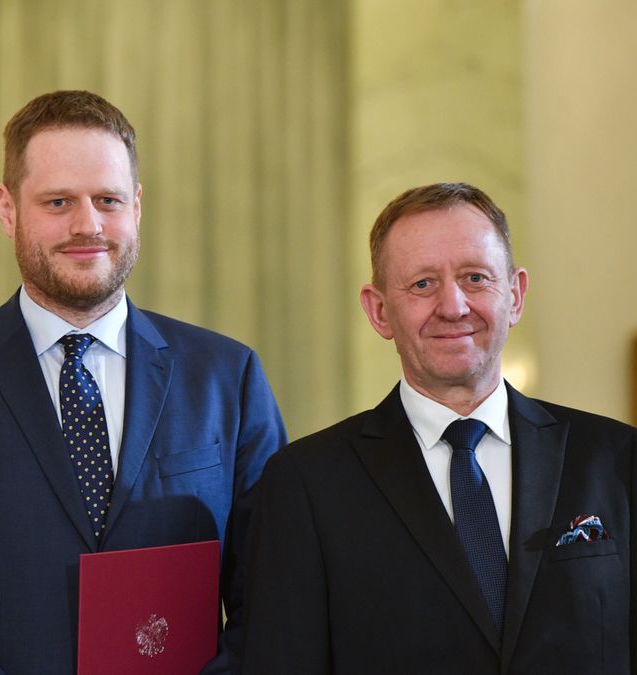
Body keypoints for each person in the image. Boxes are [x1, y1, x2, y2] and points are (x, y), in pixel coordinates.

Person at [0, 90, 286, 674]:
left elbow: (276, 597)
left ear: (137, 206)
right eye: (58, 201)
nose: (88, 225)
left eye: (107, 200)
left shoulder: (227, 377)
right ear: (8, 210)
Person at [243, 182, 636, 674]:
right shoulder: (305, 484)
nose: (453, 306)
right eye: (423, 284)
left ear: (514, 296)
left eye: (475, 277)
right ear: (379, 310)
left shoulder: (617, 458)